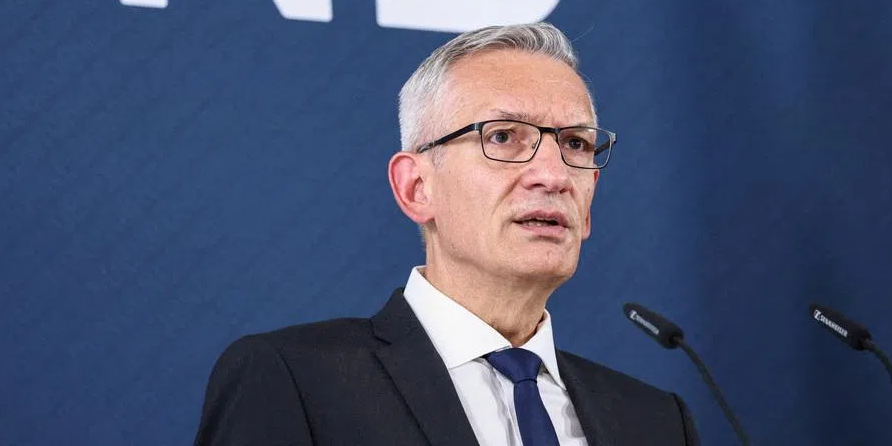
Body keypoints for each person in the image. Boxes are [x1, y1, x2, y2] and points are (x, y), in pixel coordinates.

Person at [192, 23, 700, 445]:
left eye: (576, 144)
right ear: (416, 187)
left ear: (588, 210)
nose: (554, 174)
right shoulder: (295, 381)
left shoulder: (656, 424)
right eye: (503, 136)